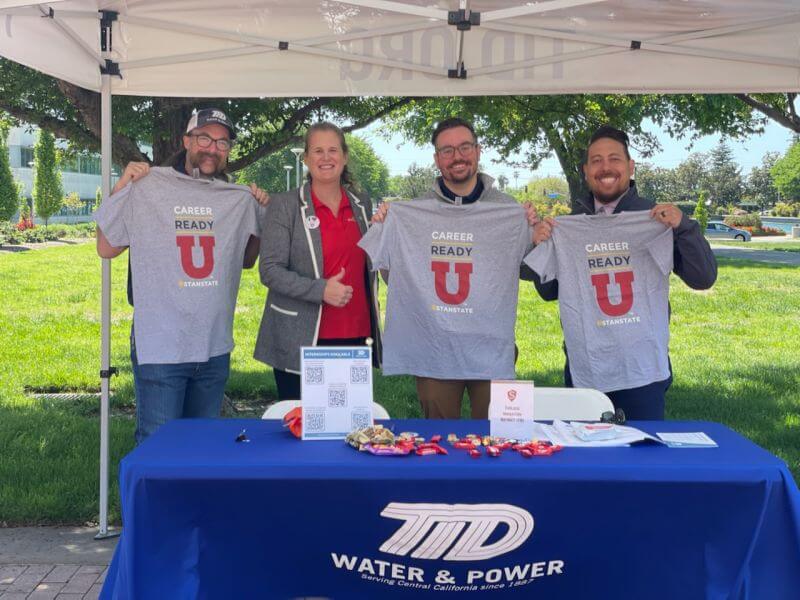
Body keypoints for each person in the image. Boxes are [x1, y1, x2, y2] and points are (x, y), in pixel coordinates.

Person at [95, 108, 268, 443]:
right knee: (158, 446)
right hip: (161, 344)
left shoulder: (235, 197)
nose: (213, 147)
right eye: (204, 137)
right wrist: (122, 185)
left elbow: (246, 261)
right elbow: (106, 248)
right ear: (186, 140)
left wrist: (258, 212)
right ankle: (154, 498)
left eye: (222, 142)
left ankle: (194, 499)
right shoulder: (149, 183)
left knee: (203, 447)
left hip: (213, 343)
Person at [529, 124, 717, 419]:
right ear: (586, 170)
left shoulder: (656, 219)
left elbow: (703, 277)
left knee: (642, 458)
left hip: (642, 372)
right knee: (589, 461)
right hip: (586, 366)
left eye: (614, 159)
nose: (606, 167)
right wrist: (540, 244)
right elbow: (548, 292)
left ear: (630, 167)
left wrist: (684, 227)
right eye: (596, 160)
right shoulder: (570, 224)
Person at [369, 117, 537, 420]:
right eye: (447, 150)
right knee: (440, 440)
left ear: (478, 150)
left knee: (495, 437)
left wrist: (533, 233)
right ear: (436, 159)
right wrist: (387, 228)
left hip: (490, 346)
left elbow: (529, 270)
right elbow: (394, 276)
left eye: (464, 147)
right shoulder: (413, 211)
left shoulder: (507, 209)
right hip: (434, 346)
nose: (457, 156)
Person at [254, 122, 382, 399]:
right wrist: (320, 289)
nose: (326, 158)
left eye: (333, 150)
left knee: (350, 432)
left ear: (345, 156)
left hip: (355, 334)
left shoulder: (362, 203)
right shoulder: (285, 205)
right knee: (300, 434)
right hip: (300, 338)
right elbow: (270, 270)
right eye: (318, 151)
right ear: (306, 159)